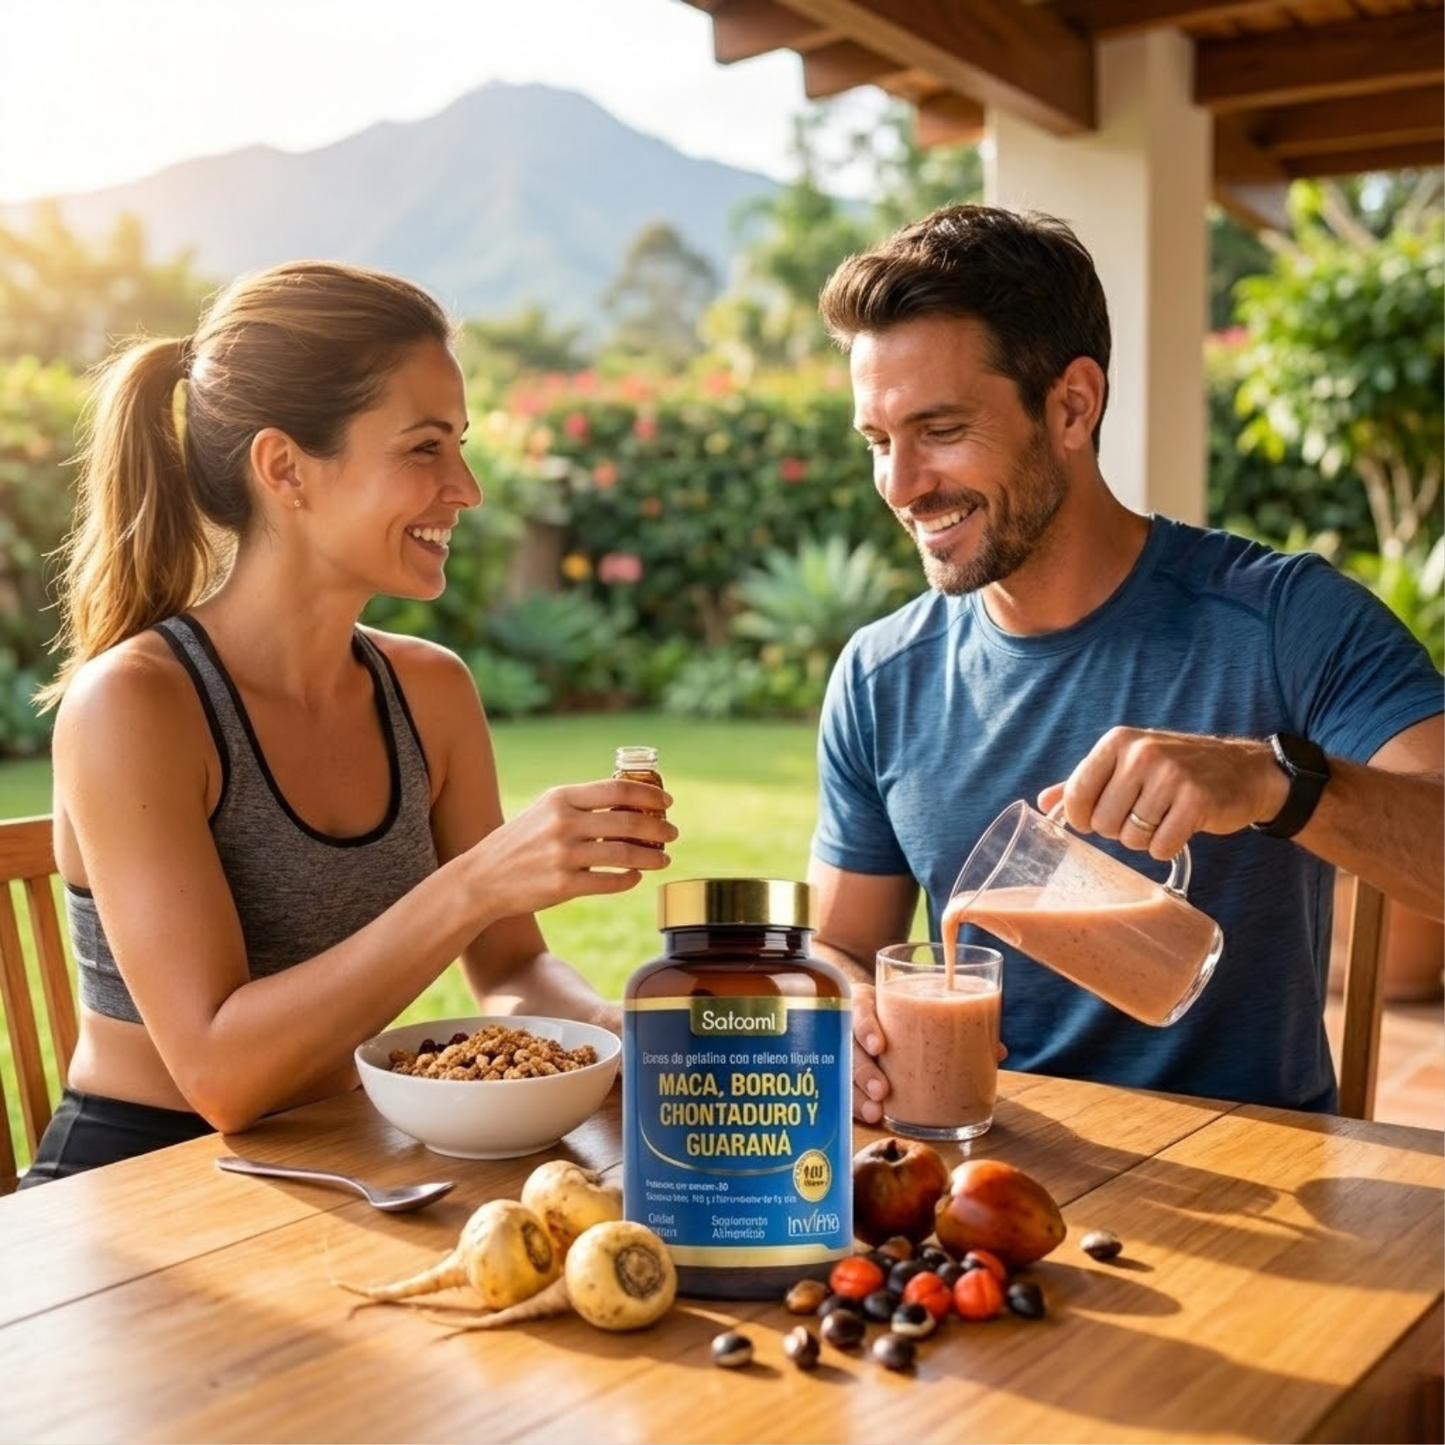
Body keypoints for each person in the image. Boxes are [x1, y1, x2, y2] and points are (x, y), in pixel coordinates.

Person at [21, 259, 676, 1185]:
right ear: (285, 468)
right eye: (424, 448)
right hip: (140, 1185)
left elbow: (513, 967)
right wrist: (473, 883)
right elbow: (222, 1074)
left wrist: (637, 1036)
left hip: (339, 1160)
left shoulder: (429, 691)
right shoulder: (136, 704)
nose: (468, 487)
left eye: (459, 444)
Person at [807, 203, 1443, 1121]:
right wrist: (850, 1008)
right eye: (878, 442)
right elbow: (843, 948)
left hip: (1251, 1171)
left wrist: (1276, 783)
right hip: (994, 1169)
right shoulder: (880, 676)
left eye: (938, 430)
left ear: (1072, 404)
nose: (900, 486)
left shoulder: (1280, 619)